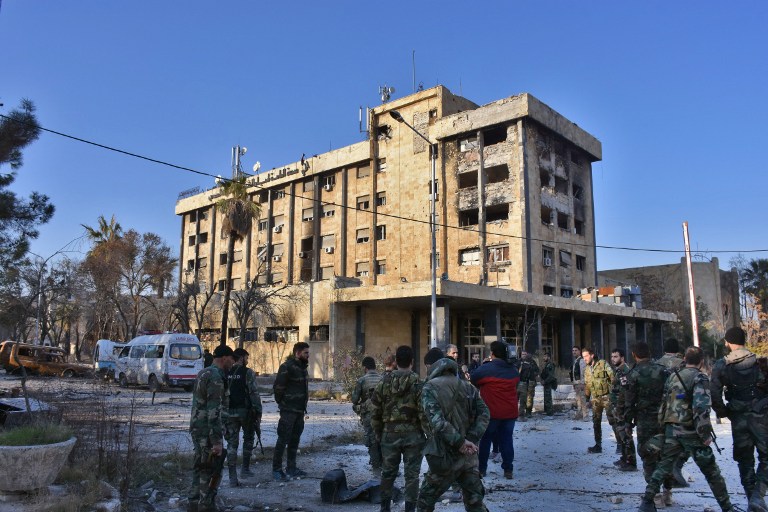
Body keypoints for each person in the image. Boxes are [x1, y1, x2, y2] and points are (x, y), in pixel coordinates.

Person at [637, 347, 733, 512]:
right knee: (712, 472)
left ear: (685, 360)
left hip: (671, 429)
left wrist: (664, 426)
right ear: (701, 361)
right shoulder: (700, 377)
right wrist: (704, 435)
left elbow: (664, 404)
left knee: (663, 467)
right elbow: (701, 408)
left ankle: (647, 502)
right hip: (691, 432)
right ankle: (727, 507)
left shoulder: (673, 376)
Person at [418, 357, 490, 512]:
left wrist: (460, 443)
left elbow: (437, 422)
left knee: (425, 501)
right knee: (475, 502)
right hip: (469, 457)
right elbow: (484, 414)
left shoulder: (429, 388)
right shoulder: (469, 387)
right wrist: (470, 439)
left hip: (445, 456)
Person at [711, 327, 768, 512]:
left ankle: (753, 497)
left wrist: (724, 412)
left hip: (738, 417)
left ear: (728, 342)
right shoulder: (760, 362)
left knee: (744, 459)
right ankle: (758, 496)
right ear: (744, 340)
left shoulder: (722, 364)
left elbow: (714, 393)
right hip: (761, 416)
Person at [370, 345, 425, 512]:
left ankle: (385, 508)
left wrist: (378, 433)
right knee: (412, 476)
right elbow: (424, 412)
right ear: (412, 362)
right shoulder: (419, 383)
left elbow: (375, 411)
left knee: (387, 473)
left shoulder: (384, 382)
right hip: (413, 435)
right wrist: (427, 434)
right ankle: (410, 509)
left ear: (395, 362)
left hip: (389, 434)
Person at [625, 341, 675, 504]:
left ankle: (654, 493)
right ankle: (667, 493)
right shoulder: (663, 371)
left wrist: (627, 422)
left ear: (634, 355)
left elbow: (629, 401)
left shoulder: (633, 373)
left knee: (647, 455)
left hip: (644, 420)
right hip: (663, 419)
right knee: (664, 454)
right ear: (650, 353)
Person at [188, 345, 235, 512]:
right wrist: (216, 441)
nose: (233, 363)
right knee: (211, 470)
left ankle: (193, 504)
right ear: (224, 358)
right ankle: (206, 505)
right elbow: (214, 411)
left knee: (200, 466)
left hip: (198, 428)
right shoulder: (215, 377)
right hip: (208, 431)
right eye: (232, 359)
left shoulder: (204, 372)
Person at [470, 340, 519, 479]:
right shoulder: (513, 369)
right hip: (509, 413)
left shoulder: (486, 369)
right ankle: (508, 470)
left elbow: (474, 379)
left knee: (485, 440)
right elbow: (516, 382)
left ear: (492, 353)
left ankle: (482, 469)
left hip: (491, 413)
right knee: (507, 440)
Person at [224, 348, 262, 486]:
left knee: (232, 444)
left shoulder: (226, 372)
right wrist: (258, 411)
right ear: (241, 358)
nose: (247, 360)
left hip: (229, 413)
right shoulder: (248, 372)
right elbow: (253, 393)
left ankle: (232, 477)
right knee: (249, 438)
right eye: (246, 358)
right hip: (245, 412)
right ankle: (245, 469)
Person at [272, 342, 310, 481]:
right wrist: (283, 403)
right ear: (298, 353)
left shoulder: (302, 368)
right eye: (306, 353)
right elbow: (278, 388)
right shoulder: (287, 366)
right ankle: (276, 470)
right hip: (288, 410)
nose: (308, 355)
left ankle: (291, 468)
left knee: (295, 440)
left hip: (299, 410)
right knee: (283, 439)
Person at [655, 337, 689, 488]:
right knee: (686, 440)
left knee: (664, 441)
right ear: (677, 350)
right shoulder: (683, 364)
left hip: (661, 408)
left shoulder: (657, 364)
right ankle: (676, 468)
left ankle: (664, 473)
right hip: (680, 407)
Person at [351, 356, 383, 474]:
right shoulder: (383, 379)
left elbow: (354, 400)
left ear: (365, 368)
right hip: (383, 415)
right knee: (382, 439)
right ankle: (385, 465)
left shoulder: (362, 380)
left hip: (369, 415)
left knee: (372, 440)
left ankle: (376, 467)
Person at [607, 348, 636, 471]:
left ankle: (631, 462)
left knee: (626, 435)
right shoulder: (618, 371)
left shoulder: (624, 371)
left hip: (622, 409)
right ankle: (624, 458)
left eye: (616, 357)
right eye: (612, 356)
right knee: (621, 434)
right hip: (616, 408)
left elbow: (626, 391)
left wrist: (623, 409)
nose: (613, 359)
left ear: (622, 358)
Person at [583, 347, 614, 453]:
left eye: (586, 356)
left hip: (606, 397)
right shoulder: (587, 369)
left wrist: (614, 393)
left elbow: (612, 377)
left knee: (613, 420)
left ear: (592, 355)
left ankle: (620, 444)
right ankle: (598, 445)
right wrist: (587, 399)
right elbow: (587, 385)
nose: (585, 359)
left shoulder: (602, 363)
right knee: (596, 422)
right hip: (595, 399)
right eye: (583, 357)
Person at [517, 351, 537, 421]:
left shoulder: (519, 364)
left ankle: (514, 415)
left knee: (515, 400)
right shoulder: (529, 366)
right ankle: (521, 416)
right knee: (523, 401)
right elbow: (532, 377)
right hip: (524, 385)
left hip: (517, 384)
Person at [570, 345, 588, 420]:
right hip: (576, 383)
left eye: (576, 350)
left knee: (583, 400)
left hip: (580, 384)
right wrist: (574, 383)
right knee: (578, 400)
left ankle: (585, 416)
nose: (574, 352)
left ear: (579, 351)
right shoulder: (576, 361)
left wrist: (582, 383)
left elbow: (583, 373)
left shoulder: (581, 360)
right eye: (573, 350)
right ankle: (580, 415)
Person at [539, 352, 557, 416]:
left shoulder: (550, 365)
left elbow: (551, 376)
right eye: (544, 356)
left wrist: (545, 381)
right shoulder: (547, 364)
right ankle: (547, 411)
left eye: (545, 356)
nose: (544, 358)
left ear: (549, 357)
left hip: (548, 383)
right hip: (546, 383)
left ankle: (549, 413)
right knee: (546, 398)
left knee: (548, 398)